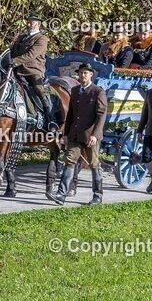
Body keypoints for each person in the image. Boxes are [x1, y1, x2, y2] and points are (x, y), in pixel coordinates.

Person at [52, 63, 107, 206]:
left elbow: (101, 115)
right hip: (75, 134)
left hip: (90, 136)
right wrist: (65, 133)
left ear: (91, 75)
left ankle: (97, 195)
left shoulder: (97, 92)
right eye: (81, 73)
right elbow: (70, 114)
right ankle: (61, 194)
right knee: (69, 161)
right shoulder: (75, 91)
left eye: (85, 73)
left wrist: (95, 135)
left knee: (94, 164)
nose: (82, 76)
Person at [10, 15, 59, 132]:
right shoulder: (21, 37)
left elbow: (31, 55)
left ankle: (51, 120)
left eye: (33, 22)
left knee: (39, 90)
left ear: (39, 24)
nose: (29, 24)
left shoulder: (41, 39)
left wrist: (14, 61)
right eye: (28, 21)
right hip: (15, 69)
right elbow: (11, 51)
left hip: (32, 70)